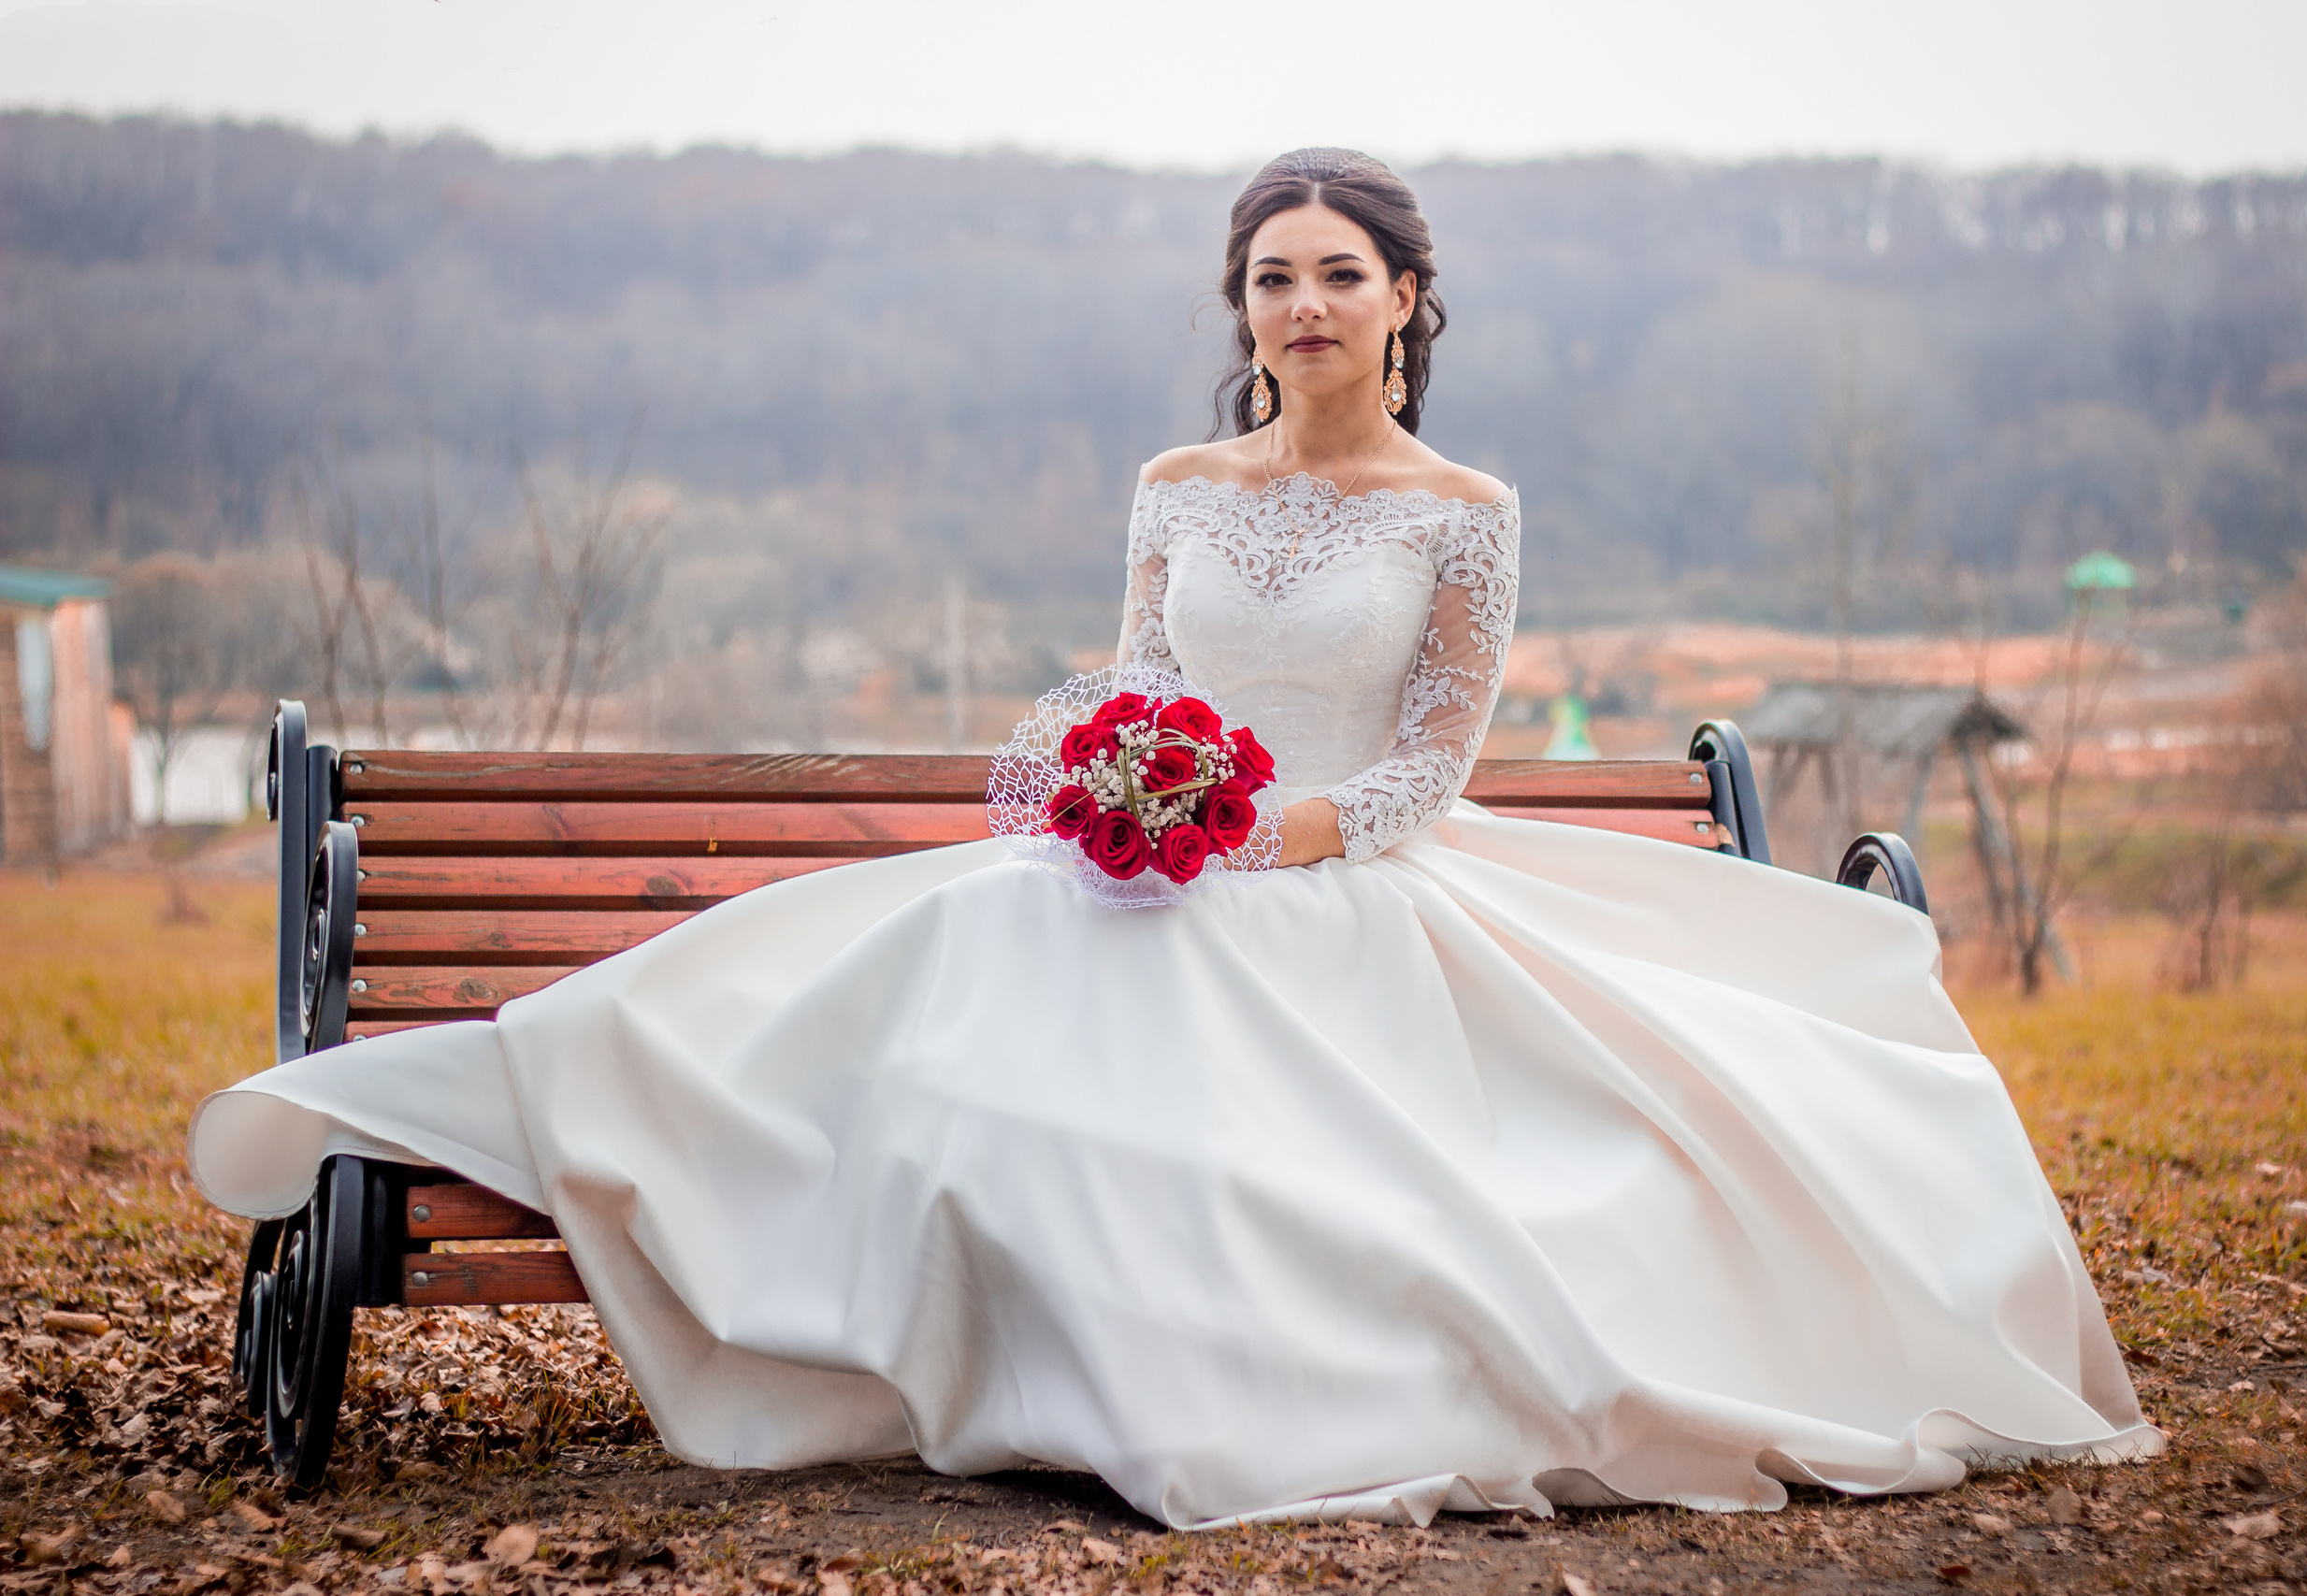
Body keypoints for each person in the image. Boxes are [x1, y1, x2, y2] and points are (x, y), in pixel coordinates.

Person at [190, 148, 2158, 1531]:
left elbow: (1428, 757)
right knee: (867, 982)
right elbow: (1135, 671)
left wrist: (1278, 837)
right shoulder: (1172, 482)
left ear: (1407, 300)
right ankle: (447, 1098)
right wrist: (1103, 778)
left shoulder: (1462, 506)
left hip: (1347, 883)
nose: (1301, 305)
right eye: (1269, 276)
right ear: (1240, 303)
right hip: (1134, 867)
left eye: (1337, 273)